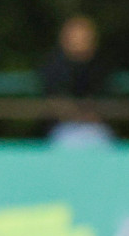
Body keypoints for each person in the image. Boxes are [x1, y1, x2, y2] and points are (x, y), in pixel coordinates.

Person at [39, 14, 113, 147]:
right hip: (63, 130)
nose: (81, 39)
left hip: (96, 129)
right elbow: (54, 102)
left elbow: (106, 100)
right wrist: (77, 115)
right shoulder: (53, 67)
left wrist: (93, 114)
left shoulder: (101, 66)